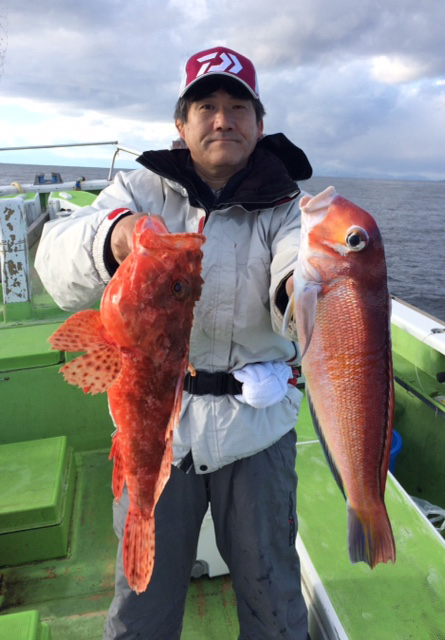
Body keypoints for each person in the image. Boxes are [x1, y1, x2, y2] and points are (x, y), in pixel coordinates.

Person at [35, 45, 313, 640]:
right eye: (206, 106)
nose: (223, 119)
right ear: (181, 125)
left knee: (274, 597)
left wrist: (306, 290)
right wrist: (113, 237)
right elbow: (54, 261)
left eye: (239, 107)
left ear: (259, 124)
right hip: (162, 430)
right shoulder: (137, 189)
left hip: (256, 433)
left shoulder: (288, 205)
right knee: (141, 608)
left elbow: (299, 269)